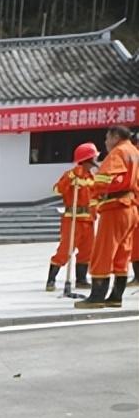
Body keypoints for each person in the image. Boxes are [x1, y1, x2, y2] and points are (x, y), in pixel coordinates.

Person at [77, 125, 139, 309]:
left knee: (103, 251)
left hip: (115, 207)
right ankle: (116, 296)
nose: (105, 142)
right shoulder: (134, 152)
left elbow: (108, 178)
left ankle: (97, 296)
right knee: (122, 253)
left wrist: (95, 185)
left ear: (115, 136)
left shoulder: (118, 152)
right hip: (131, 208)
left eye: (106, 138)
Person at [47, 143, 98, 291]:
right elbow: (57, 190)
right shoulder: (71, 174)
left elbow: (95, 198)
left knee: (87, 251)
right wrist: (70, 179)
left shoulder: (92, 177)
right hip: (73, 219)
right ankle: (51, 280)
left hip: (88, 219)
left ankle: (81, 280)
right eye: (93, 156)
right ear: (88, 158)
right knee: (65, 251)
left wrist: (94, 213)